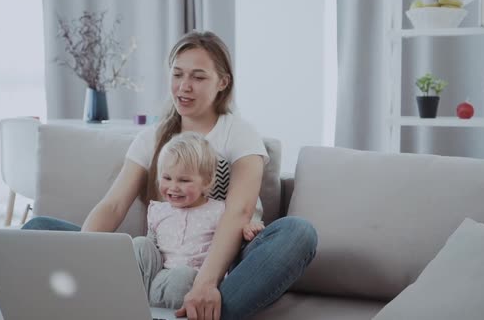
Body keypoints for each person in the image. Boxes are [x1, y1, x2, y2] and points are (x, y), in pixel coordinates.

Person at [23, 30, 318, 320]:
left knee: (298, 233)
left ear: (222, 83)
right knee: (38, 228)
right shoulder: (151, 138)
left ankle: (199, 308)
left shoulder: (238, 133)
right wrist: (81, 256)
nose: (184, 86)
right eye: (177, 75)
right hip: (161, 262)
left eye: (198, 77)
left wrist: (205, 283)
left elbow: (239, 210)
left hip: (227, 262)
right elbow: (113, 206)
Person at [136, 131, 264, 309]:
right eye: (166, 178)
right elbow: (150, 252)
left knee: (181, 276)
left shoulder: (219, 211)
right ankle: (134, 305)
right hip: (157, 279)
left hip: (191, 282)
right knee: (140, 244)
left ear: (207, 181)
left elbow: (233, 239)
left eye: (184, 180)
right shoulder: (158, 210)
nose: (173, 187)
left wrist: (251, 228)